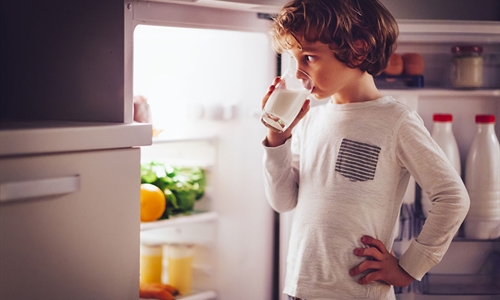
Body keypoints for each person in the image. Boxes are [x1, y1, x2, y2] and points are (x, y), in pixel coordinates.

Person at [260, 0, 470, 299]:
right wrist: (276, 138)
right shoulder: (311, 120)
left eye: (308, 57)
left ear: (358, 50)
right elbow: (283, 200)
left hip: (358, 291)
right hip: (300, 288)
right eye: (294, 60)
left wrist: (410, 267)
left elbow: (452, 197)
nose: (298, 73)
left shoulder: (395, 120)